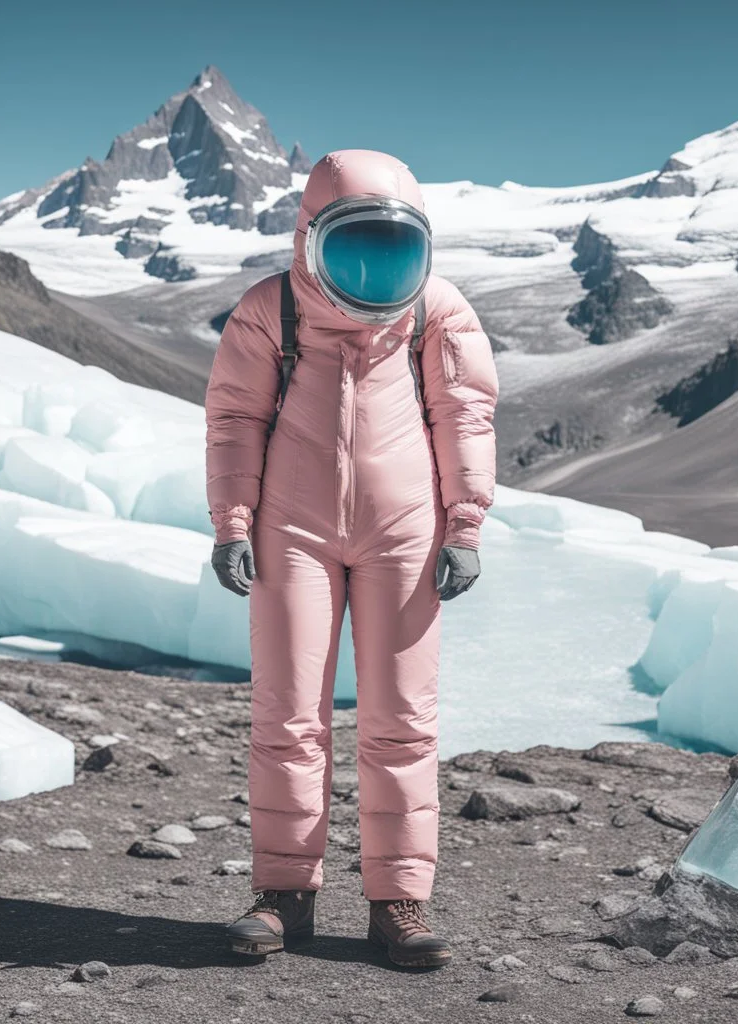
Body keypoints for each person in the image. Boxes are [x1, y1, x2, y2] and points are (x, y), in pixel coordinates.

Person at [204, 148, 499, 969]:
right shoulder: (274, 310)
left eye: (394, 246)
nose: (375, 266)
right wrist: (233, 523)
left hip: (405, 532)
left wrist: (465, 525)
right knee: (288, 713)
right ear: (310, 238)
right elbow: (233, 419)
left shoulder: (436, 310)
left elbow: (465, 415)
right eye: (354, 244)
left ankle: (398, 903)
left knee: (402, 719)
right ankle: (283, 897)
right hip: (290, 533)